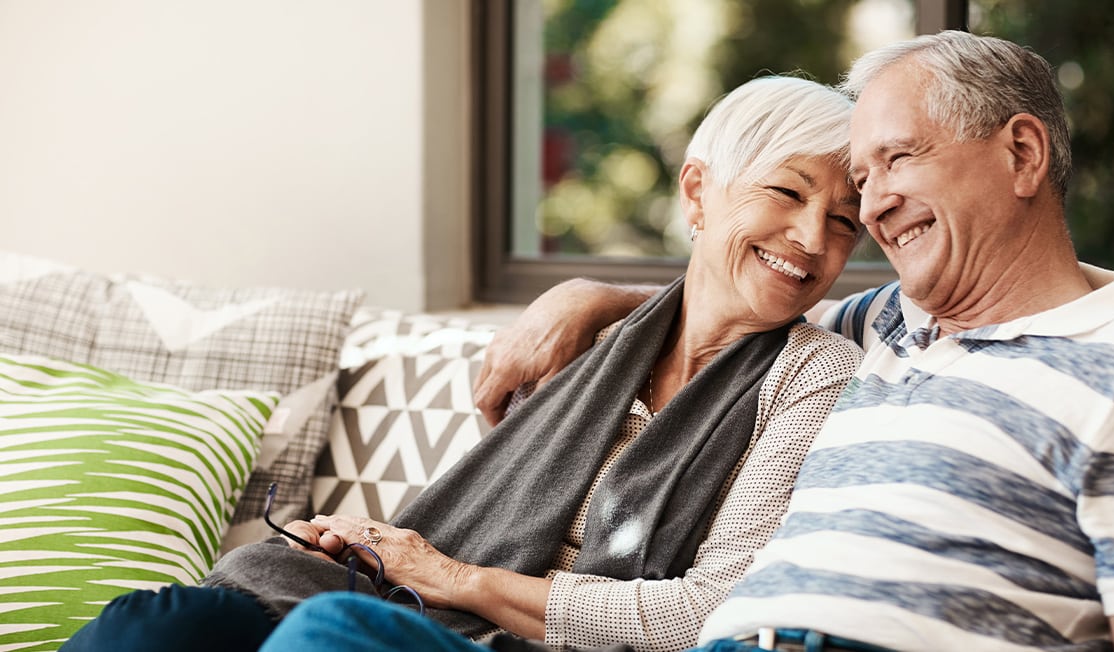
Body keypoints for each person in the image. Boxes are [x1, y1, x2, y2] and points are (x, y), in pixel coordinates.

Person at [260, 30, 1114, 651]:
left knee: (327, 638)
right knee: (188, 624)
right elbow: (733, 296)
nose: (873, 204)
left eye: (900, 159)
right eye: (863, 174)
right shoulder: (885, 324)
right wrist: (595, 296)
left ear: (1024, 155)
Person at [63, 75, 867, 652]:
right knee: (158, 624)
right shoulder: (591, 342)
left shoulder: (815, 374)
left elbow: (700, 615)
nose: (812, 239)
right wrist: (369, 551)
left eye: (843, 222)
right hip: (409, 602)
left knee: (325, 637)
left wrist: (444, 574)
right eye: (787, 193)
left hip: (495, 631)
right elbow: (488, 516)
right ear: (697, 193)